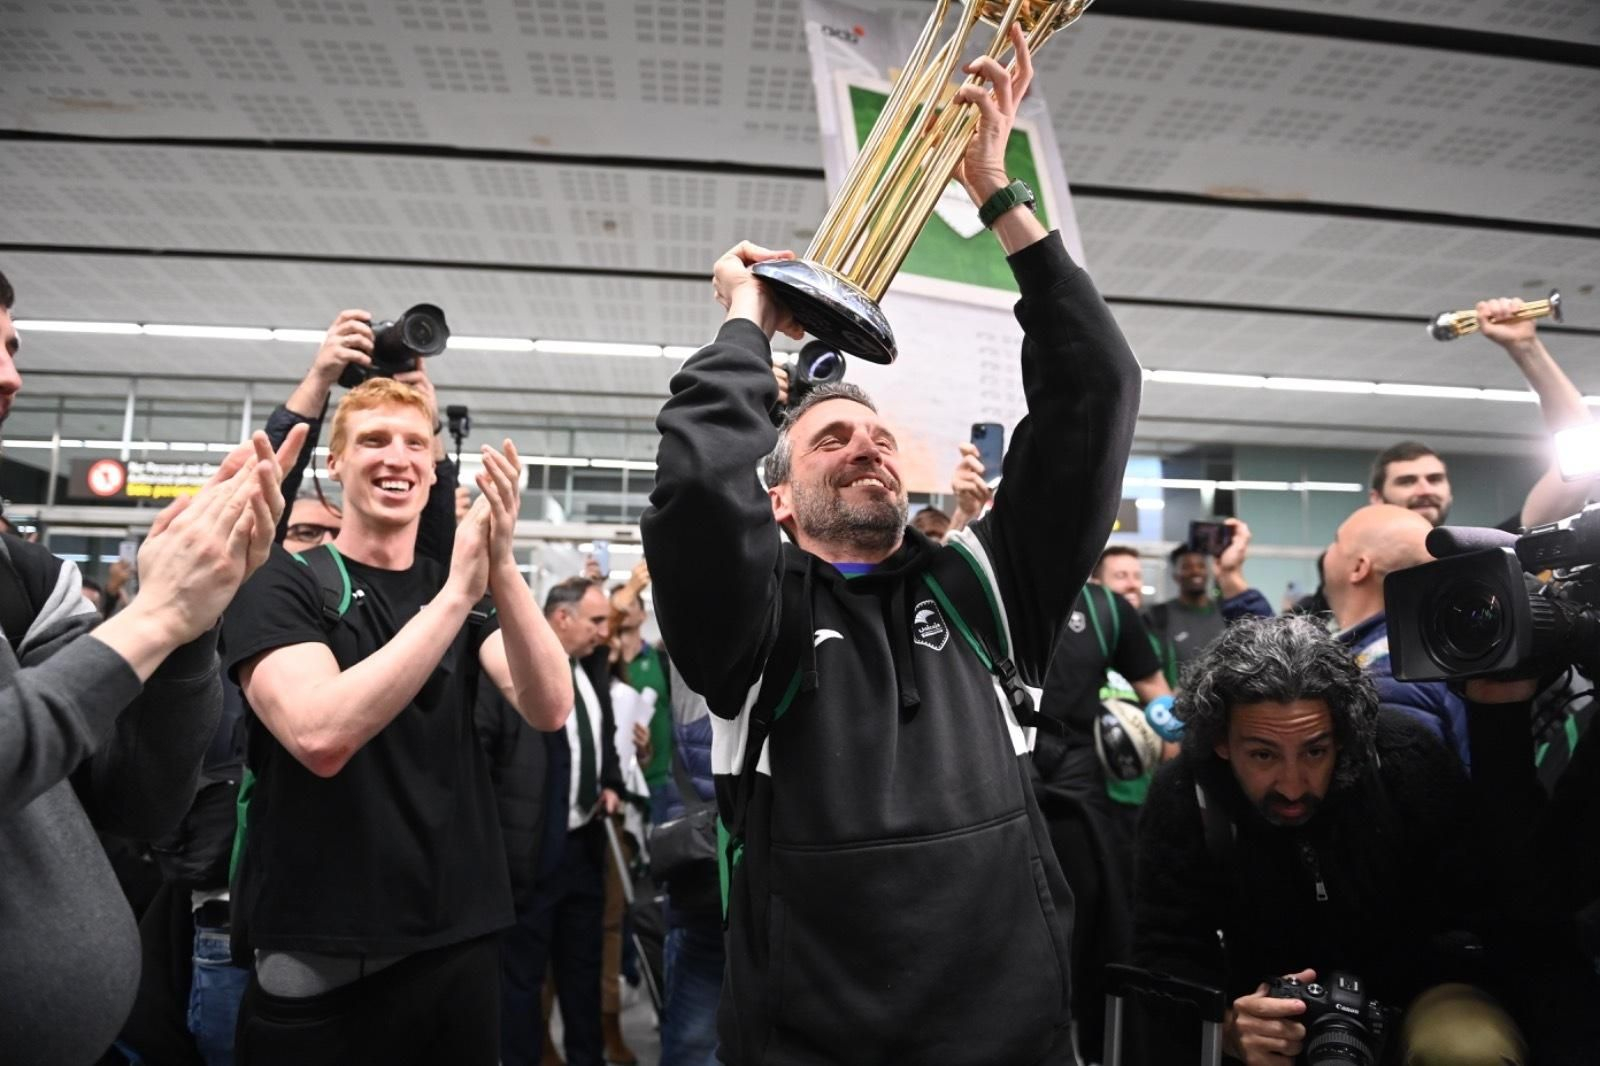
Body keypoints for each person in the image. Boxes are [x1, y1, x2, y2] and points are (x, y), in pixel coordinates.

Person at [643, 29, 1141, 1062]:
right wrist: (748, 328)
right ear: (775, 499)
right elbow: (698, 486)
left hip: (1016, 1037)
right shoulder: (749, 621)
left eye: (878, 437)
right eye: (832, 437)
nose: (867, 444)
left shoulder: (986, 583)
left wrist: (998, 197)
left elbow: (1096, 389)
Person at [0, 267, 306, 1066]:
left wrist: (192, 629)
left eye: (12, 348)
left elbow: (136, 797)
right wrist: (156, 615)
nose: (11, 377)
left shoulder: (20, 573)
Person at [225, 378, 571, 1065]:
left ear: (435, 464)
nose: (398, 458)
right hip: (325, 953)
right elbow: (320, 736)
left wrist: (500, 566)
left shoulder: (462, 586)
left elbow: (548, 703)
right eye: (374, 440)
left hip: (457, 941)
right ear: (335, 463)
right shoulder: (282, 582)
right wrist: (455, 598)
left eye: (416, 443)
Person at [1133, 616, 1531, 1065]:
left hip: (1416, 996)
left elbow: (1482, 913)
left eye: (1315, 751)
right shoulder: (1186, 794)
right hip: (1261, 1011)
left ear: (1342, 736)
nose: (1292, 785)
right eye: (1263, 754)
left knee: (1467, 1050)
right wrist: (1224, 1022)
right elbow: (1163, 949)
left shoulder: (1405, 760)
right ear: (1222, 742)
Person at [497, 576, 624, 1066]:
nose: (602, 633)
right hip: (533, 856)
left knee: (582, 976)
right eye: (595, 621)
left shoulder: (588, 669)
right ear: (561, 618)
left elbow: (599, 738)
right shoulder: (518, 670)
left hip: (585, 848)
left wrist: (609, 781)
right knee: (523, 983)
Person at [1369, 295, 1591, 533]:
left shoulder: (1487, 557)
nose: (1425, 490)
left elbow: (1582, 456)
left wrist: (1525, 347)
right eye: (1407, 481)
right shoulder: (1355, 563)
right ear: (1377, 498)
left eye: (1435, 479)